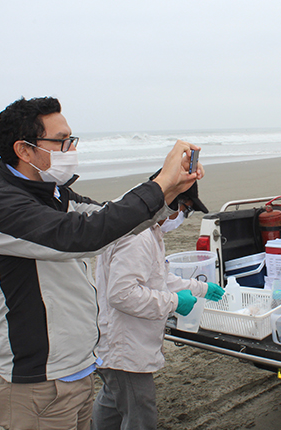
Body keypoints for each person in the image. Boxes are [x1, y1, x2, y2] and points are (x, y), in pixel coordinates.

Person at [0, 96, 202, 430]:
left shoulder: (54, 195)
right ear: (24, 150)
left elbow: (116, 223)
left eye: (71, 140)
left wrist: (171, 191)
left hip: (80, 371)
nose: (70, 149)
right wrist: (159, 183)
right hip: (38, 384)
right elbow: (85, 236)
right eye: (61, 141)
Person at [91, 180, 224, 429]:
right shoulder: (138, 237)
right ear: (168, 201)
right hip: (125, 347)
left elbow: (159, 279)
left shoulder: (148, 230)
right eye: (184, 209)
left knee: (112, 402)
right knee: (140, 412)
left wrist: (202, 288)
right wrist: (174, 302)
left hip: (124, 343)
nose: (182, 217)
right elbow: (122, 294)